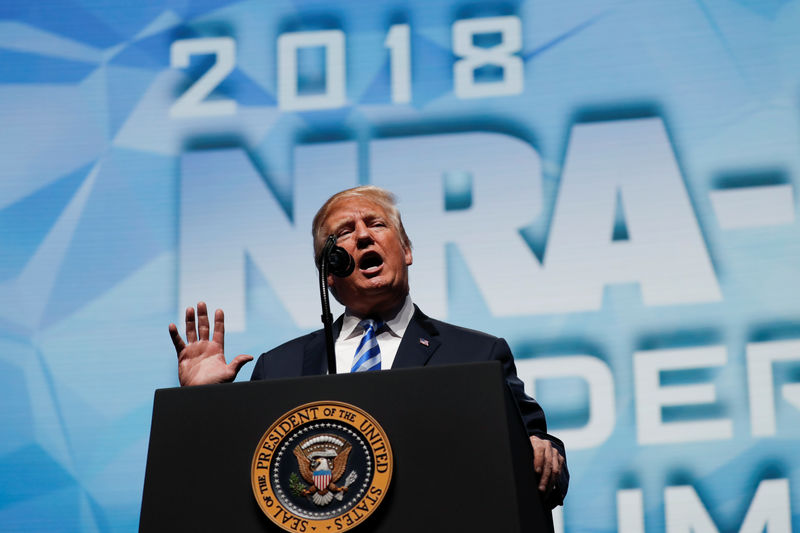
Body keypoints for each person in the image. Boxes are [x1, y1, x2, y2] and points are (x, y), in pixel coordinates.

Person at [169, 185, 568, 508]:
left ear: (406, 251)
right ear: (329, 271)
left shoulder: (477, 355)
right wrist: (203, 407)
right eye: (343, 233)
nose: (361, 235)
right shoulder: (280, 367)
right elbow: (242, 485)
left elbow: (540, 455)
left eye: (375, 224)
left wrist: (539, 449)